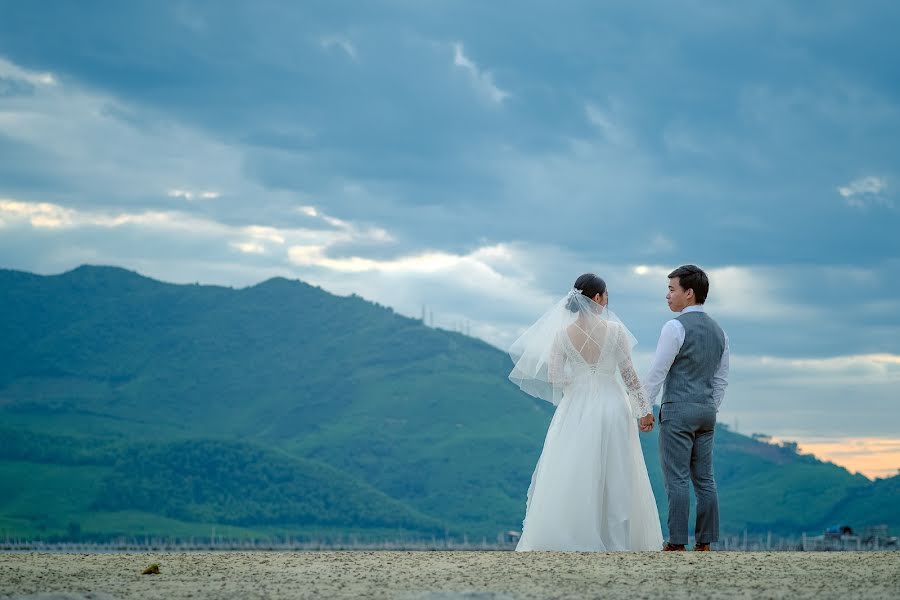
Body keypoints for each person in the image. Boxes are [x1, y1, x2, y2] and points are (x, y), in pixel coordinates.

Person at [508, 273, 663, 551]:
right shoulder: (615, 332)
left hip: (577, 406)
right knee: (618, 469)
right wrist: (644, 410)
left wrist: (579, 382)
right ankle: (617, 539)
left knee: (575, 468)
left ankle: (574, 532)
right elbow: (628, 374)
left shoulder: (561, 335)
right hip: (613, 403)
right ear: (597, 298)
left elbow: (555, 376)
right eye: (606, 297)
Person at [641, 265, 730, 552]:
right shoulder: (720, 332)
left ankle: (677, 541)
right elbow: (721, 378)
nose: (667, 296)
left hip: (678, 410)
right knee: (705, 479)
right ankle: (704, 542)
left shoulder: (675, 327)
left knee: (676, 478)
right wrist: (709, 406)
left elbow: (658, 371)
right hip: (706, 411)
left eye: (671, 289)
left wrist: (643, 407)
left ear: (688, 293)